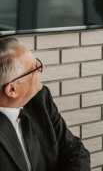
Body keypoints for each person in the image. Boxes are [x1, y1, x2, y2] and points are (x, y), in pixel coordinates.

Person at [0, 37, 91, 171]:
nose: (41, 68)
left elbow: (73, 147)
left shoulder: (40, 99)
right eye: (33, 68)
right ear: (12, 89)